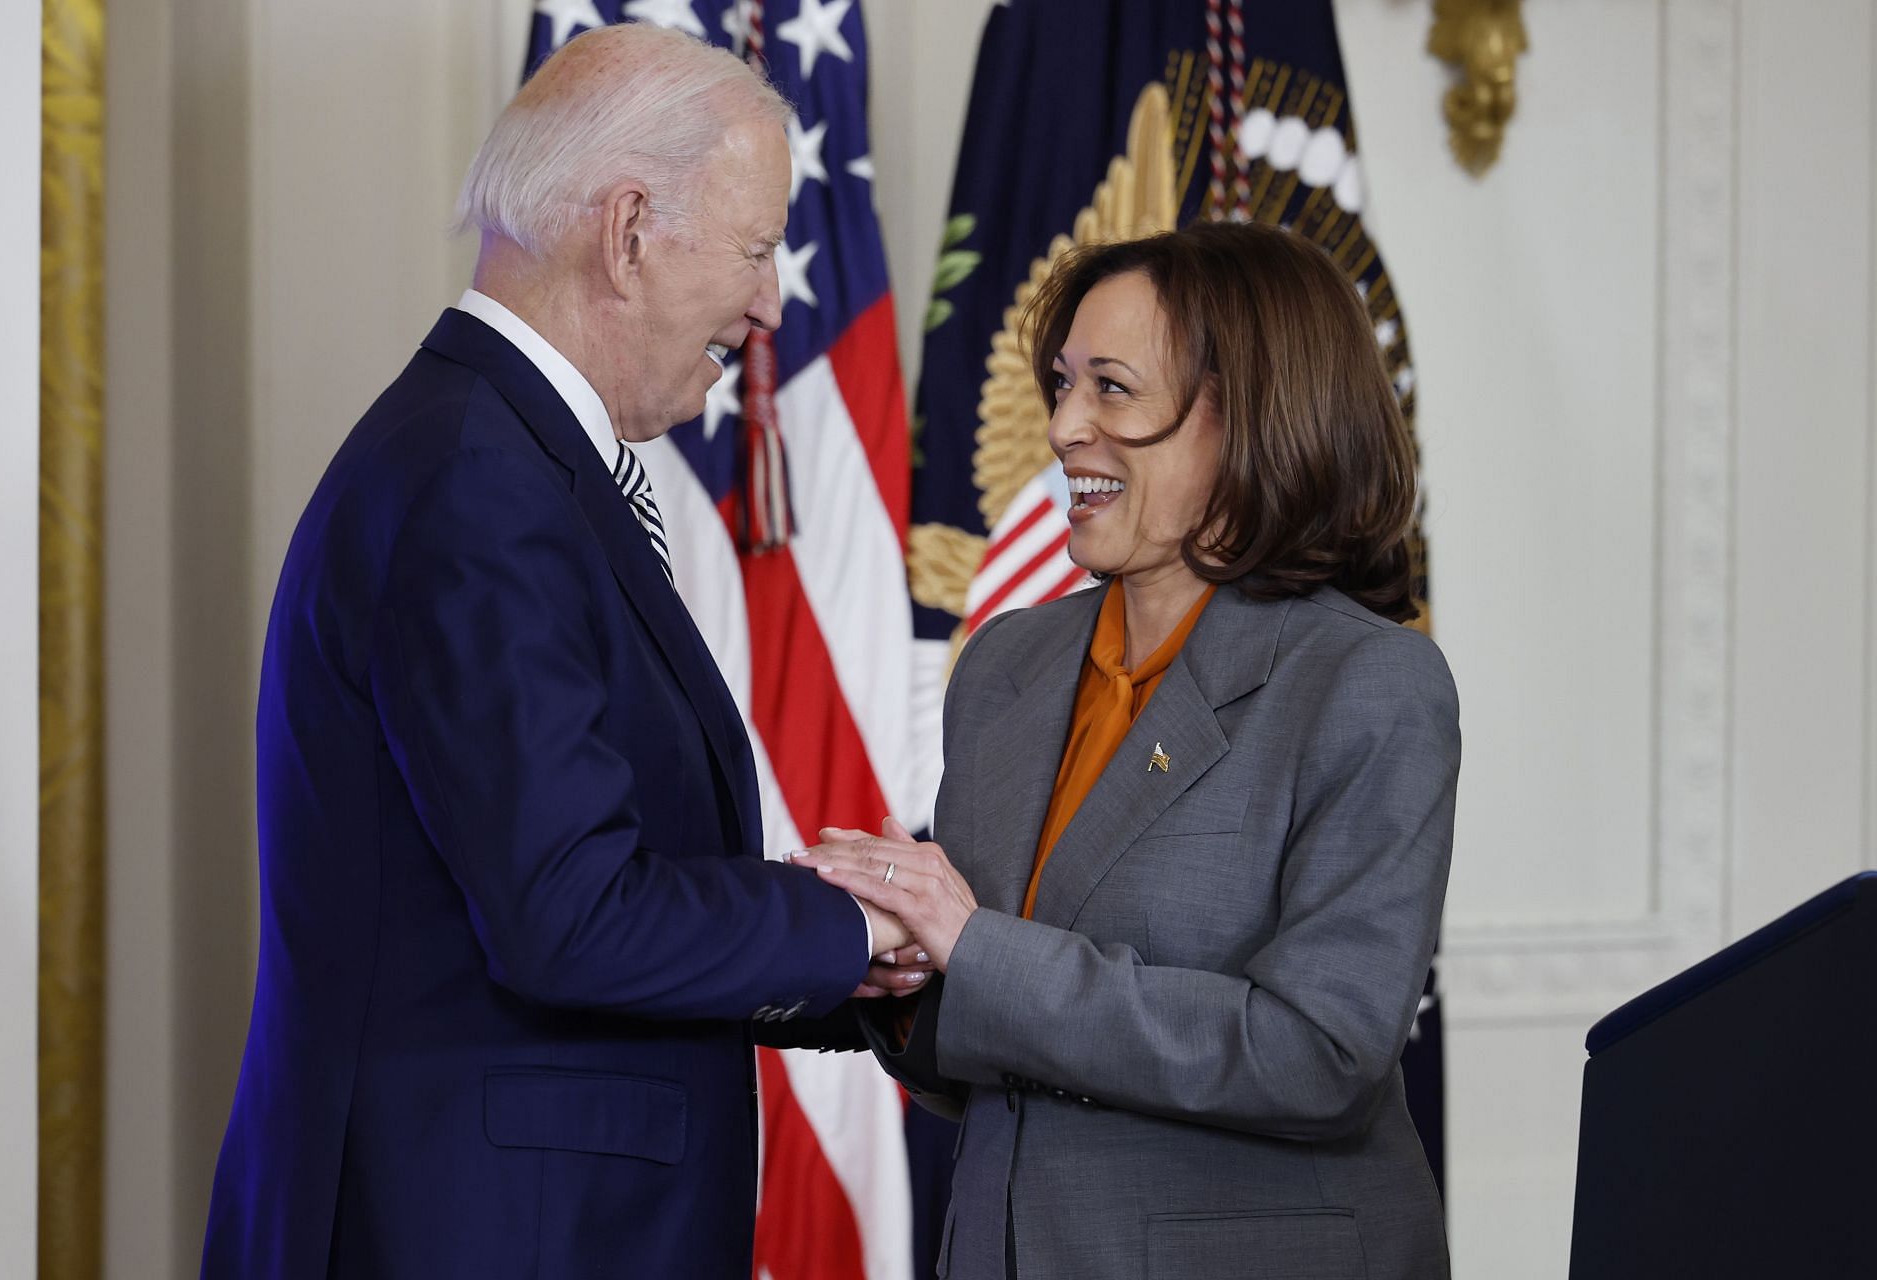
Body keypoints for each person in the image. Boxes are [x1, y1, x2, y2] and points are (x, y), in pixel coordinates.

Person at [200, 25, 925, 1280]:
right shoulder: (480, 481)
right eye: (756, 250)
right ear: (631, 228)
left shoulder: (496, 453)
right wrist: (859, 923)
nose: (769, 302)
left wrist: (888, 974)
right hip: (476, 1235)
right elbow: (572, 913)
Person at [798, 221, 1461, 1280]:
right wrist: (900, 965)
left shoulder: (1367, 683)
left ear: (1250, 415)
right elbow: (994, 1033)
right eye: (1063, 383)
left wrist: (974, 944)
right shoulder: (1006, 667)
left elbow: (1319, 1054)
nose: (1063, 427)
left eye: (1111, 387)